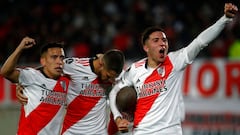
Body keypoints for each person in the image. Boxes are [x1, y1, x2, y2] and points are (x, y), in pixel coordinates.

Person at [109, 3, 238, 135]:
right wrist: (118, 119)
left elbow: (200, 42)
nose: (162, 43)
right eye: (156, 40)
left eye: (164, 40)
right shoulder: (135, 69)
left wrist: (225, 19)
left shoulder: (175, 61)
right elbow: (114, 93)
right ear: (146, 47)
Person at [16, 49, 125, 134]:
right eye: (108, 76)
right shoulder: (74, 65)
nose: (111, 80)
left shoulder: (116, 75)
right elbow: (48, 69)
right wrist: (22, 83)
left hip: (98, 131)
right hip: (71, 130)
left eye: (113, 77)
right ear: (101, 64)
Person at [0, 37, 70, 135]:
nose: (59, 61)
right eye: (54, 57)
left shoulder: (68, 82)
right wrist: (19, 49)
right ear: (43, 61)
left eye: (62, 57)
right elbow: (5, 72)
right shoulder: (31, 76)